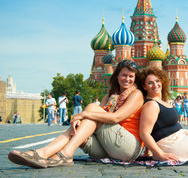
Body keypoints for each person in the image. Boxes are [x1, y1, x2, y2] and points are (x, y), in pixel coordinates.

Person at [8, 60, 144, 168]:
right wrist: (79, 120)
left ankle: (61, 154)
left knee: (91, 108)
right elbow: (94, 118)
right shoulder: (110, 95)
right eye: (124, 75)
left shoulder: (136, 94)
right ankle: (43, 153)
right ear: (117, 76)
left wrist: (83, 114)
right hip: (108, 147)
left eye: (131, 76)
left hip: (128, 147)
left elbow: (116, 117)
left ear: (135, 78)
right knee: (85, 121)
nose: (127, 79)